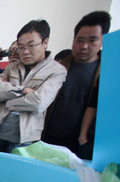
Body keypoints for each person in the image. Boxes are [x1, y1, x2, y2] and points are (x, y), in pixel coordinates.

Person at [0, 20, 67, 153]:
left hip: (24, 139)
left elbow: (39, 102)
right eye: (21, 47)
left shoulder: (56, 71)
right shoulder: (13, 66)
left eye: (31, 46)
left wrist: (8, 101)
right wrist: (23, 90)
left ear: (45, 42)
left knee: (15, 173)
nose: (25, 52)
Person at [43, 11, 111, 160]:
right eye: (79, 40)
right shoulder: (58, 67)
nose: (84, 46)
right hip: (47, 138)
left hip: (79, 145)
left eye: (92, 40)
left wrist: (84, 140)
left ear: (103, 41)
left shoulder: (108, 74)